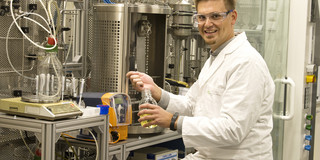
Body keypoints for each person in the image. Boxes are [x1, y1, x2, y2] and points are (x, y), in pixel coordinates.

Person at [126, 0, 275, 159]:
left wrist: (173, 121)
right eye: (202, 17)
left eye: (216, 16)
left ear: (233, 17)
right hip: (210, 154)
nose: (207, 24)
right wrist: (157, 92)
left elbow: (233, 130)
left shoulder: (246, 62)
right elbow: (192, 105)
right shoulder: (217, 58)